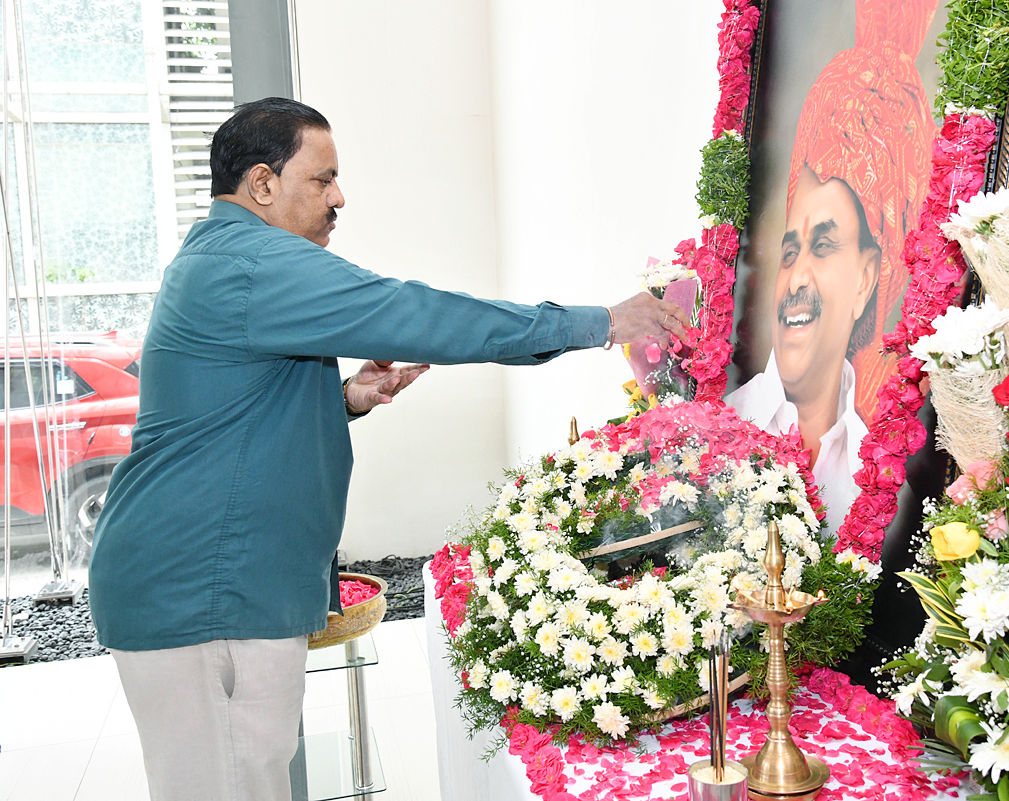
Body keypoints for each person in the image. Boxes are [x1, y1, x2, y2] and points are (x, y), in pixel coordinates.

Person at [88, 97, 689, 801]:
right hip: (203, 590)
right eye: (323, 179)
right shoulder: (251, 265)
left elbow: (225, 411)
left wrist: (342, 400)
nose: (339, 198)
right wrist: (602, 323)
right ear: (261, 184)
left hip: (203, 581)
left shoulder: (226, 262)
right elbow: (414, 313)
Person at [727, 0, 974, 532]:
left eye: (824, 246)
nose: (796, 277)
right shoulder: (721, 429)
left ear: (869, 276)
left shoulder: (881, 467)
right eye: (790, 249)